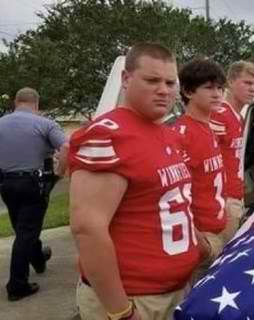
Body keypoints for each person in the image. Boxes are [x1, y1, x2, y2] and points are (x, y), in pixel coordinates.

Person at [69, 43, 206, 320]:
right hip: (136, 300)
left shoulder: (167, 133)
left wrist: (198, 244)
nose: (164, 90)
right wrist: (120, 311)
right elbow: (88, 229)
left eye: (170, 82)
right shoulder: (108, 135)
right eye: (152, 80)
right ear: (126, 79)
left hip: (175, 290)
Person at [0, 87, 67, 301]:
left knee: (24, 227)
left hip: (6, 184)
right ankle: (17, 285)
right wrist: (60, 171)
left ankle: (38, 258)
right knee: (26, 231)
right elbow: (67, 147)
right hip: (32, 184)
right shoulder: (45, 124)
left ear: (16, 102)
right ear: (36, 104)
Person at [174, 58, 227, 273]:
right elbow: (175, 196)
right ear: (188, 91)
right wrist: (200, 244)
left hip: (217, 230)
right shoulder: (182, 135)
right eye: (208, 88)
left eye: (220, 88)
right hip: (201, 238)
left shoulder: (208, 128)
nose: (217, 94)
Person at [210, 61, 254, 242]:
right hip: (222, 201)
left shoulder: (237, 117)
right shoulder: (219, 115)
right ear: (230, 82)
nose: (253, 89)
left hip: (235, 198)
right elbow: (206, 163)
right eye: (247, 83)